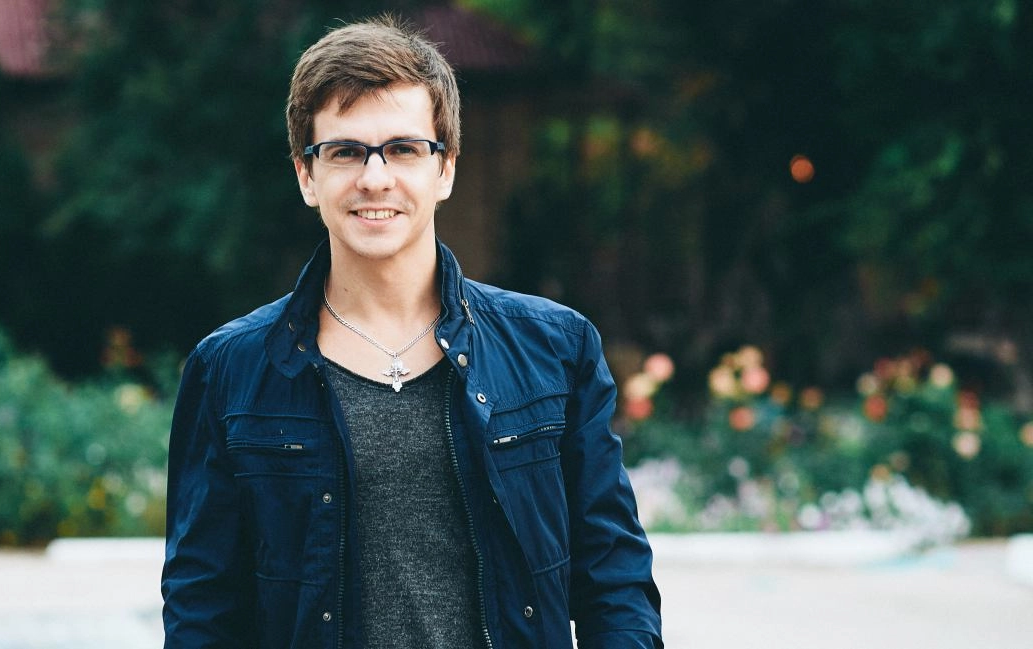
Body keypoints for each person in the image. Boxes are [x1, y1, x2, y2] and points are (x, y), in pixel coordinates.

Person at [162, 15, 663, 649]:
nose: (375, 178)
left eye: (403, 149)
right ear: (306, 176)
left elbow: (615, 583)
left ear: (444, 168)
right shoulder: (229, 369)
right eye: (345, 151)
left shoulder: (555, 348)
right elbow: (201, 609)